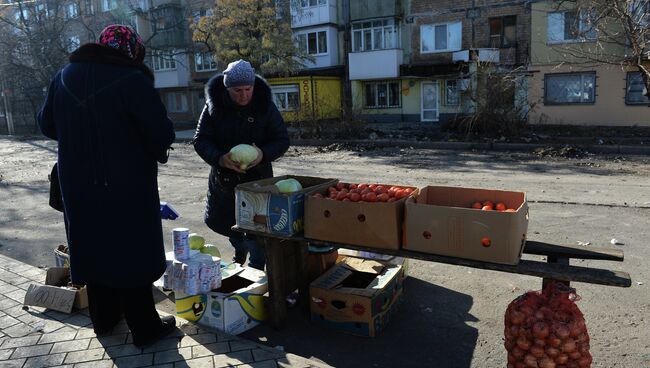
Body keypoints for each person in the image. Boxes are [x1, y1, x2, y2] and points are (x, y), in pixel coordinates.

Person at [37, 24, 176, 347]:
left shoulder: (64, 76)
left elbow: (46, 124)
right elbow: (160, 133)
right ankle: (145, 328)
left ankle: (104, 320)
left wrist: (77, 139)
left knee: (93, 247)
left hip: (78, 184)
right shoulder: (133, 79)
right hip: (127, 184)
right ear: (132, 51)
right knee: (132, 250)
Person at [193, 59, 290, 270]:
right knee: (231, 227)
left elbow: (282, 140)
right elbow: (200, 140)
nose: (244, 95)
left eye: (248, 89)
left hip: (258, 181)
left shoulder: (265, 106)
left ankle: (254, 273)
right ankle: (239, 247)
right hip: (225, 183)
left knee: (257, 233)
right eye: (237, 90)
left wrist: (262, 153)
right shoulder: (213, 107)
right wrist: (220, 158)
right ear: (227, 88)